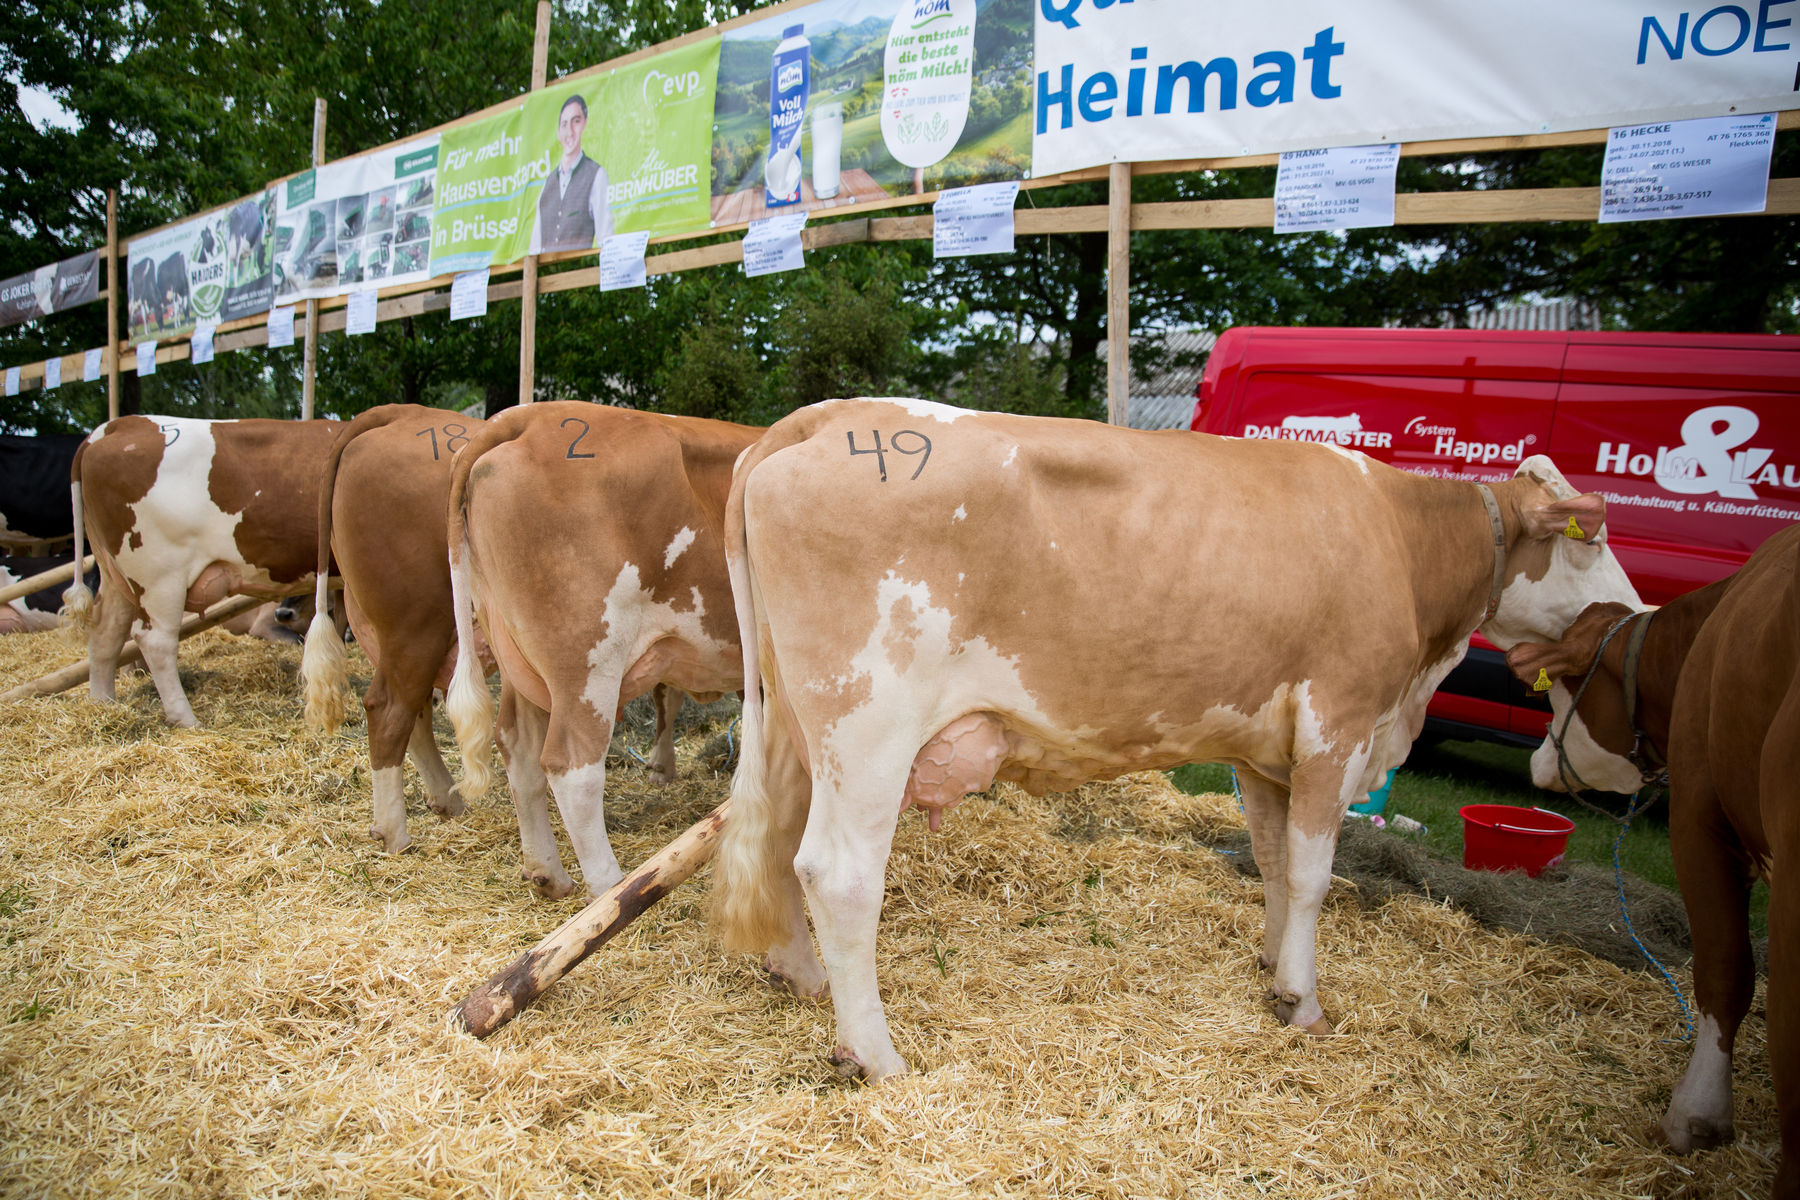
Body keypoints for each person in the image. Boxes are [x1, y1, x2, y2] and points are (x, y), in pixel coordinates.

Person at [529, 93, 613, 254]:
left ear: (585, 124)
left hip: (579, 274)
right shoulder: (547, 182)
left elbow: (606, 238)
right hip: (546, 275)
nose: (570, 132)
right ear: (558, 132)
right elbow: (534, 246)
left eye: (576, 121)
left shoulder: (597, 175)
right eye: (564, 124)